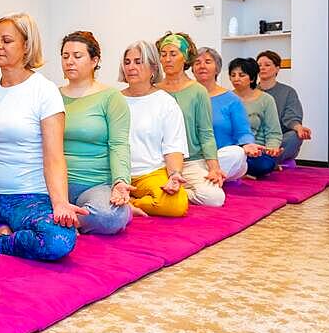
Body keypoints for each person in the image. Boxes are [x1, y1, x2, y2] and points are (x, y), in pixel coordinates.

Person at [0, 13, 87, 260]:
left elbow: (54, 156)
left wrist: (60, 203)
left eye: (6, 40)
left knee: (59, 240)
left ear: (27, 45)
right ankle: (3, 235)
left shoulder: (44, 91)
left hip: (29, 197)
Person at [59, 31, 132, 235]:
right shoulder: (51, 95)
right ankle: (64, 219)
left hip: (94, 185)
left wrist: (120, 182)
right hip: (54, 185)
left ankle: (64, 222)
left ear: (94, 60)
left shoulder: (111, 98)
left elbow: (119, 144)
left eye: (77, 56)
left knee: (109, 216)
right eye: (65, 56)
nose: (69, 62)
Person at [119, 41, 189, 217]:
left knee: (176, 204)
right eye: (127, 62)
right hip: (116, 174)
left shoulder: (166, 103)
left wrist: (174, 175)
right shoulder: (114, 100)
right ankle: (122, 201)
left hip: (149, 174)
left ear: (153, 68)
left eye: (138, 61)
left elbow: (173, 147)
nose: (131, 67)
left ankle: (131, 204)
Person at [155, 32, 226, 206]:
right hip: (159, 162)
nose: (167, 59)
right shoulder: (154, 90)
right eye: (163, 55)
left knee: (215, 198)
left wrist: (214, 167)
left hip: (191, 162)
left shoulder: (198, 91)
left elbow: (206, 133)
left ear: (185, 58)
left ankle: (179, 194)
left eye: (173, 54)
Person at [192, 47, 266, 180]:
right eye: (197, 62)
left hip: (222, 157)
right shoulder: (188, 96)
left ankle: (202, 178)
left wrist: (247, 144)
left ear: (217, 69)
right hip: (194, 158)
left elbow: (243, 131)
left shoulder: (231, 99)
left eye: (208, 62)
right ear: (192, 69)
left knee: (236, 154)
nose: (202, 66)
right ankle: (202, 179)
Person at [229, 57, 283, 178]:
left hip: (256, 151)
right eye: (233, 75)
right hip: (232, 150)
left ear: (252, 78)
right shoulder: (226, 98)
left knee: (265, 164)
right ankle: (241, 172)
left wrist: (272, 149)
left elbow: (273, 132)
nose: (236, 78)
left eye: (241, 75)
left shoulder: (266, 99)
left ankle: (238, 171)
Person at [256, 50, 312, 163]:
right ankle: (261, 160)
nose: (262, 68)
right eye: (259, 65)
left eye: (267, 65)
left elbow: (292, 117)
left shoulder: (288, 92)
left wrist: (299, 128)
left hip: (279, 138)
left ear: (277, 68)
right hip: (255, 138)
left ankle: (265, 160)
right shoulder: (250, 92)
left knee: (294, 136)